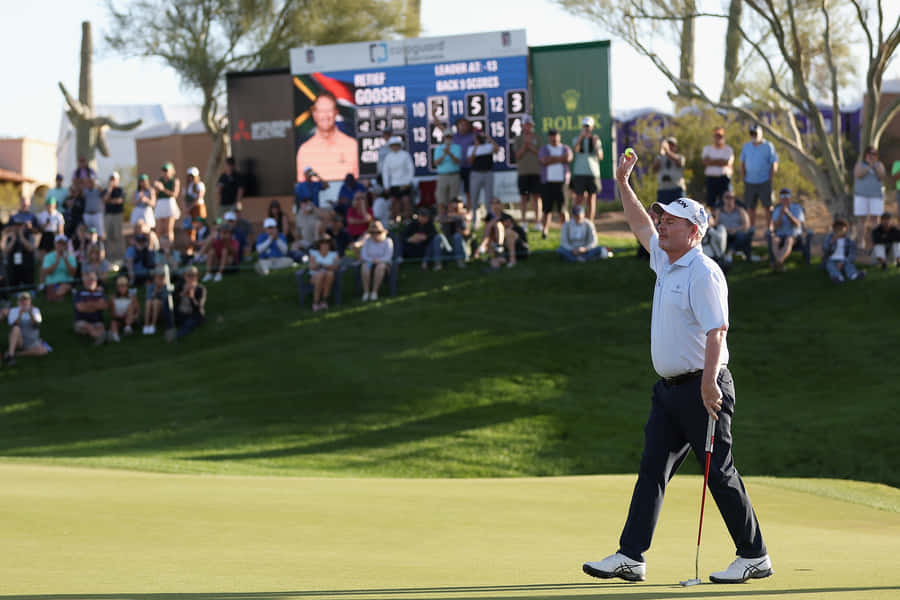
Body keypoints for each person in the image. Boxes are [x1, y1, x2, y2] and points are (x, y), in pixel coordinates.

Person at [583, 148, 771, 585]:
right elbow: (637, 224)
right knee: (652, 469)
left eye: (670, 221)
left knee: (719, 474)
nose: (661, 225)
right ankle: (631, 555)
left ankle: (754, 554)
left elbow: (716, 331)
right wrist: (624, 184)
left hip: (703, 387)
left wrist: (708, 385)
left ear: (694, 230)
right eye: (662, 220)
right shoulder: (666, 263)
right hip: (669, 391)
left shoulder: (702, 271)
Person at [296, 91, 359, 181]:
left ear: (336, 113)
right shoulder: (304, 150)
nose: (325, 116)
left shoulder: (351, 146)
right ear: (314, 114)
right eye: (321, 111)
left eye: (329, 110)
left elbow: (357, 186)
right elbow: (301, 187)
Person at [740, 124, 778, 232]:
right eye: (751, 133)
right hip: (750, 181)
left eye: (755, 133)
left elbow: (774, 162)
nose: (753, 135)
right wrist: (743, 177)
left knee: (768, 206)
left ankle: (769, 228)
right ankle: (751, 228)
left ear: (761, 133)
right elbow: (742, 163)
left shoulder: (768, 146)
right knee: (751, 206)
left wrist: (770, 178)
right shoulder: (746, 146)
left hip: (764, 181)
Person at [539, 128, 573, 239]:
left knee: (563, 209)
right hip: (547, 183)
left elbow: (568, 158)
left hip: (562, 183)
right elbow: (544, 161)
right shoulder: (544, 149)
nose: (554, 138)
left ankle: (566, 232)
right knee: (546, 209)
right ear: (549, 137)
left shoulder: (565, 148)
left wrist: (552, 159)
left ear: (559, 136)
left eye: (555, 135)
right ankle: (545, 231)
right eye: (551, 136)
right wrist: (560, 159)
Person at [852, 146, 886, 253]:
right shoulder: (859, 164)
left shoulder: (879, 165)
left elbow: (882, 176)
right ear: (865, 154)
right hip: (861, 195)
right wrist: (868, 166)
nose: (872, 156)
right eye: (870, 153)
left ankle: (876, 242)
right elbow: (858, 175)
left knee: (875, 219)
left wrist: (875, 166)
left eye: (874, 154)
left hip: (876, 196)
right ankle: (861, 242)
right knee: (861, 219)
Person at [513, 115, 543, 232]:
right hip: (523, 173)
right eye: (525, 124)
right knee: (523, 198)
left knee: (537, 197)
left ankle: (538, 222)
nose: (527, 127)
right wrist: (525, 146)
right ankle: (524, 222)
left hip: (536, 172)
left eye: (529, 125)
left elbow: (541, 155)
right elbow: (517, 156)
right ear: (522, 126)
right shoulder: (518, 139)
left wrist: (531, 147)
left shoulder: (537, 138)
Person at [571, 116, 603, 220]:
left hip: (593, 173)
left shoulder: (596, 140)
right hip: (579, 173)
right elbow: (575, 149)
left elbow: (600, 156)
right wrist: (581, 137)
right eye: (585, 126)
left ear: (592, 127)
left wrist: (595, 144)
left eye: (588, 126)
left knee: (591, 199)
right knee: (578, 198)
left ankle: (590, 223)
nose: (586, 128)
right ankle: (575, 220)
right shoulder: (577, 139)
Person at [3, 292, 48, 366]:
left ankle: (15, 354)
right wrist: (20, 314)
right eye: (22, 300)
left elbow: (36, 326)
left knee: (44, 351)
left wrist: (31, 314)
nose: (24, 302)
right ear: (18, 302)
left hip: (32, 341)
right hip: (19, 340)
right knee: (16, 328)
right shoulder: (13, 311)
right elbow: (13, 325)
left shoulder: (35, 310)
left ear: (30, 301)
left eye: (26, 300)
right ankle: (11, 356)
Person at [474, 199, 521, 269]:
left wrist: (496, 221)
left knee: (498, 225)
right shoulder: (489, 217)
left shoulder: (506, 216)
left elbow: (512, 229)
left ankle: (495, 246)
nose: (495, 205)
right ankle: (489, 251)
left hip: (510, 239)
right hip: (493, 240)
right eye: (493, 203)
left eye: (497, 203)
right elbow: (487, 230)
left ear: (500, 205)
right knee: (491, 227)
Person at [164, 265, 206, 340]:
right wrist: (183, 293)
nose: (191, 278)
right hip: (180, 313)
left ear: (197, 276)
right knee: (166, 303)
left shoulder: (201, 289)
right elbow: (171, 301)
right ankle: (170, 328)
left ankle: (176, 336)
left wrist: (192, 297)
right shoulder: (180, 286)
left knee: (190, 322)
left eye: (193, 275)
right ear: (185, 277)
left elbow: (199, 308)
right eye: (189, 276)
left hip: (192, 315)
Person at [769, 188, 805, 271]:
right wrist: (781, 214)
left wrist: (788, 214)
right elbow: (776, 226)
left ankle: (778, 262)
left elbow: (798, 224)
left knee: (789, 240)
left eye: (786, 196)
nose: (784, 198)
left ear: (790, 197)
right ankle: (779, 263)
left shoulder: (797, 208)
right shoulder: (777, 209)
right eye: (782, 196)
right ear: (780, 199)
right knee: (775, 240)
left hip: (794, 235)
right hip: (780, 234)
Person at [381, 136, 415, 222]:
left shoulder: (405, 155)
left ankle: (407, 220)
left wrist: (407, 183)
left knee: (406, 201)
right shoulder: (388, 157)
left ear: (400, 145)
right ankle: (394, 222)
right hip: (393, 184)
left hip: (404, 184)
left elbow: (411, 170)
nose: (395, 147)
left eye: (396, 145)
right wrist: (386, 186)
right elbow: (385, 172)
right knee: (393, 203)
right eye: (393, 145)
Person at [434, 197, 472, 269]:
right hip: (447, 245)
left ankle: (460, 262)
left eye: (458, 203)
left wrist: (459, 228)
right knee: (438, 237)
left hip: (461, 246)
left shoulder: (465, 216)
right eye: (453, 204)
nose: (455, 205)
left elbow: (467, 232)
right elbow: (437, 219)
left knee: (457, 236)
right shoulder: (444, 216)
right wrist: (450, 218)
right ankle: (438, 263)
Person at [823, 218, 865, 283]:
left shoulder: (849, 240)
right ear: (834, 229)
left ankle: (854, 275)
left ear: (846, 229)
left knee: (849, 265)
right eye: (837, 228)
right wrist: (832, 242)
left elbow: (852, 254)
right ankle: (839, 278)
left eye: (841, 228)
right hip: (831, 259)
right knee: (830, 265)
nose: (839, 230)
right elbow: (825, 250)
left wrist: (842, 262)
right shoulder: (829, 237)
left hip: (844, 259)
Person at [433, 123, 462, 217]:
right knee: (441, 200)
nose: (448, 138)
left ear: (452, 137)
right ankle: (442, 220)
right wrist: (445, 154)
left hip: (454, 175)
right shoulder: (438, 149)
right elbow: (436, 163)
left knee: (453, 201)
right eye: (446, 137)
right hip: (442, 176)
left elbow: (457, 161)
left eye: (449, 136)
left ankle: (454, 221)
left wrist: (449, 153)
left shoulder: (457, 147)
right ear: (444, 137)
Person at [715, 191, 753, 263]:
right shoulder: (719, 211)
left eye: (731, 197)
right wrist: (725, 230)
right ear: (723, 199)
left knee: (741, 236)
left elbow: (747, 225)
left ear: (734, 199)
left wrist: (735, 230)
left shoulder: (741, 210)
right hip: (724, 233)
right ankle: (725, 254)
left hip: (738, 232)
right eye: (727, 197)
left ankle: (730, 252)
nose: (729, 199)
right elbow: (716, 225)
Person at [360, 220, 394, 301]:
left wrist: (379, 260)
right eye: (373, 232)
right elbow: (364, 255)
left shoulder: (388, 241)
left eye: (378, 232)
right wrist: (372, 260)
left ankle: (374, 292)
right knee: (365, 267)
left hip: (383, 264)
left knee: (380, 267)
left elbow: (388, 256)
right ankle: (366, 292)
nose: (375, 234)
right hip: (369, 262)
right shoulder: (367, 241)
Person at [2, 215, 37, 292]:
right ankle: (13, 291)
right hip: (13, 265)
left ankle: (29, 290)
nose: (18, 228)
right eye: (16, 225)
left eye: (20, 225)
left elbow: (31, 248)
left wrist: (21, 237)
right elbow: (6, 250)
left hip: (26, 264)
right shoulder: (9, 236)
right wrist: (13, 240)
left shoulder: (29, 235)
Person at [702, 127, 735, 208]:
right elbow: (705, 162)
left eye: (720, 136)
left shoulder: (728, 149)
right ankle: (713, 220)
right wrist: (720, 161)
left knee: (726, 202)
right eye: (716, 136)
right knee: (710, 203)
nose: (718, 138)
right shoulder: (707, 148)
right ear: (713, 137)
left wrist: (712, 161)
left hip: (724, 179)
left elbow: (727, 162)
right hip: (711, 179)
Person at [73, 271, 108, 346]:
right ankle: (100, 337)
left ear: (96, 281)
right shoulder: (79, 293)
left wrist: (87, 304)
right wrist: (96, 305)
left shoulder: (100, 293)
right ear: (84, 281)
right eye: (88, 280)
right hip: (82, 321)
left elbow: (104, 306)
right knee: (88, 327)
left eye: (92, 279)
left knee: (101, 327)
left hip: (97, 321)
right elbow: (80, 308)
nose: (90, 281)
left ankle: (100, 337)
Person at [40, 234, 78, 300]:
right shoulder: (48, 256)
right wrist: (56, 262)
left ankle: (55, 296)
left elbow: (72, 273)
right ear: (55, 244)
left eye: (63, 244)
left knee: (64, 287)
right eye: (59, 243)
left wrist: (66, 260)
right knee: (53, 288)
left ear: (66, 245)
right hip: (52, 283)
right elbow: (46, 272)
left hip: (66, 282)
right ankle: (57, 295)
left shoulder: (71, 256)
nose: (61, 246)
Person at [308, 236, 340, 311]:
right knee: (321, 274)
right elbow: (312, 266)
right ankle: (316, 302)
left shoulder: (334, 254)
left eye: (327, 243)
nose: (325, 245)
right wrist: (326, 266)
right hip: (315, 276)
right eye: (323, 243)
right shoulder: (313, 253)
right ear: (319, 245)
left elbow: (336, 266)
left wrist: (322, 265)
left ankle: (324, 300)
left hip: (328, 276)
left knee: (330, 274)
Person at [652, 137, 686, 205]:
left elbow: (679, 163)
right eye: (668, 144)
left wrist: (667, 152)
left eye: (672, 145)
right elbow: (654, 169)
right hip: (663, 190)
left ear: (676, 147)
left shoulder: (680, 157)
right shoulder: (660, 157)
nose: (670, 146)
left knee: (679, 212)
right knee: (662, 213)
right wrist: (661, 153)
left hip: (677, 189)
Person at [153, 162, 181, 241]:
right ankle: (158, 249)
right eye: (163, 171)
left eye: (166, 170)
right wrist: (156, 189)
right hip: (160, 204)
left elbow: (175, 194)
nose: (164, 173)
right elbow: (155, 195)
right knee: (158, 230)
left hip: (169, 204)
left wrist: (163, 189)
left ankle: (169, 249)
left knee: (169, 230)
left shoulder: (175, 181)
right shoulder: (159, 181)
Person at [453, 118, 476, 206]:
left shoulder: (472, 136)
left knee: (468, 191)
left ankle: (469, 210)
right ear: (457, 126)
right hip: (456, 167)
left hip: (469, 167)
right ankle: (454, 211)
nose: (463, 127)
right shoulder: (454, 137)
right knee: (454, 192)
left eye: (465, 125)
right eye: (461, 124)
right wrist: (434, 114)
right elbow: (441, 128)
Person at [108, 275, 139, 341]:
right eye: (119, 286)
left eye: (123, 286)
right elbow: (111, 312)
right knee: (113, 323)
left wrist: (134, 316)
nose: (121, 288)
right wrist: (117, 316)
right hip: (118, 318)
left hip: (129, 318)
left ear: (127, 287)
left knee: (130, 307)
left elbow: (137, 311)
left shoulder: (132, 297)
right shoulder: (112, 298)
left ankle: (127, 327)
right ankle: (116, 337)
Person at [36, 196, 65, 265]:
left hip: (54, 236)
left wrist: (61, 240)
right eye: (48, 205)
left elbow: (61, 230)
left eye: (51, 205)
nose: (49, 207)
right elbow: (39, 229)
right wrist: (46, 224)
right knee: (43, 258)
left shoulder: (58, 215)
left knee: (53, 257)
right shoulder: (42, 215)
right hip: (45, 236)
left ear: (54, 205)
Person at [142, 266, 170, 335]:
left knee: (156, 302)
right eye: (157, 277)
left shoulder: (167, 287)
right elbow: (148, 298)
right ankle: (146, 325)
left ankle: (153, 325)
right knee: (149, 302)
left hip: (163, 309)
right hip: (151, 306)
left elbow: (166, 300)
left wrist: (159, 291)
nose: (159, 279)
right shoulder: (150, 286)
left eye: (161, 277)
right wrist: (155, 292)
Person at [182, 166, 207, 245]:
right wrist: (186, 208)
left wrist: (190, 207)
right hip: (190, 211)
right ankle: (191, 247)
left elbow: (199, 197)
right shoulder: (187, 186)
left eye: (192, 176)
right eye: (189, 176)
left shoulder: (199, 185)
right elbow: (184, 199)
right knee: (189, 229)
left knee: (198, 226)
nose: (191, 178)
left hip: (198, 209)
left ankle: (200, 244)